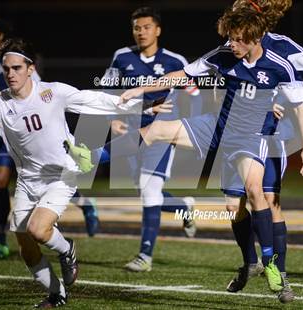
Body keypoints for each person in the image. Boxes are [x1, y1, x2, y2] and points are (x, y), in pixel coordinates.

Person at [66, 7, 303, 299]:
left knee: (254, 191)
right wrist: (139, 91)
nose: (231, 44)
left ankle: (271, 263)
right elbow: (180, 75)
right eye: (230, 38)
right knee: (158, 131)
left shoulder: (278, 65)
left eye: (237, 39)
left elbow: (299, 105)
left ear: (254, 38)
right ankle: (92, 157)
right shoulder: (222, 55)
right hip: (217, 126)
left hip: (251, 136)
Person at [0, 38, 171, 308]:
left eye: (17, 68)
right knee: (25, 247)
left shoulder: (53, 92)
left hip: (62, 174)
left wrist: (144, 107)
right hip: (27, 181)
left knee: (39, 230)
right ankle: (57, 294)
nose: (10, 74)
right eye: (6, 69)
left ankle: (67, 249)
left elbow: (97, 100)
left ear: (30, 68)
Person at [222, 1, 303, 302]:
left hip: (271, 136)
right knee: (234, 206)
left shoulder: (282, 46)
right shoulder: (232, 46)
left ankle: (279, 273)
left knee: (269, 200)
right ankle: (250, 262)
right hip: (238, 134)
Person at [0, 19, 99, 261]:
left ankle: (83, 202)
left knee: (46, 173)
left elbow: (39, 93)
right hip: (1, 128)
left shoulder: (20, 62)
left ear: (0, 37)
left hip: (26, 130)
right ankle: (0, 240)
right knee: (0, 182)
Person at [103, 7, 202, 272]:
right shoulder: (122, 57)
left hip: (160, 132)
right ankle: (185, 207)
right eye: (137, 27)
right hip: (131, 133)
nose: (141, 32)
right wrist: (112, 117)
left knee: (149, 190)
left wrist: (186, 122)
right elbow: (110, 90)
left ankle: (145, 255)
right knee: (145, 190)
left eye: (147, 27)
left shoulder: (174, 61)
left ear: (158, 30)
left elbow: (194, 93)